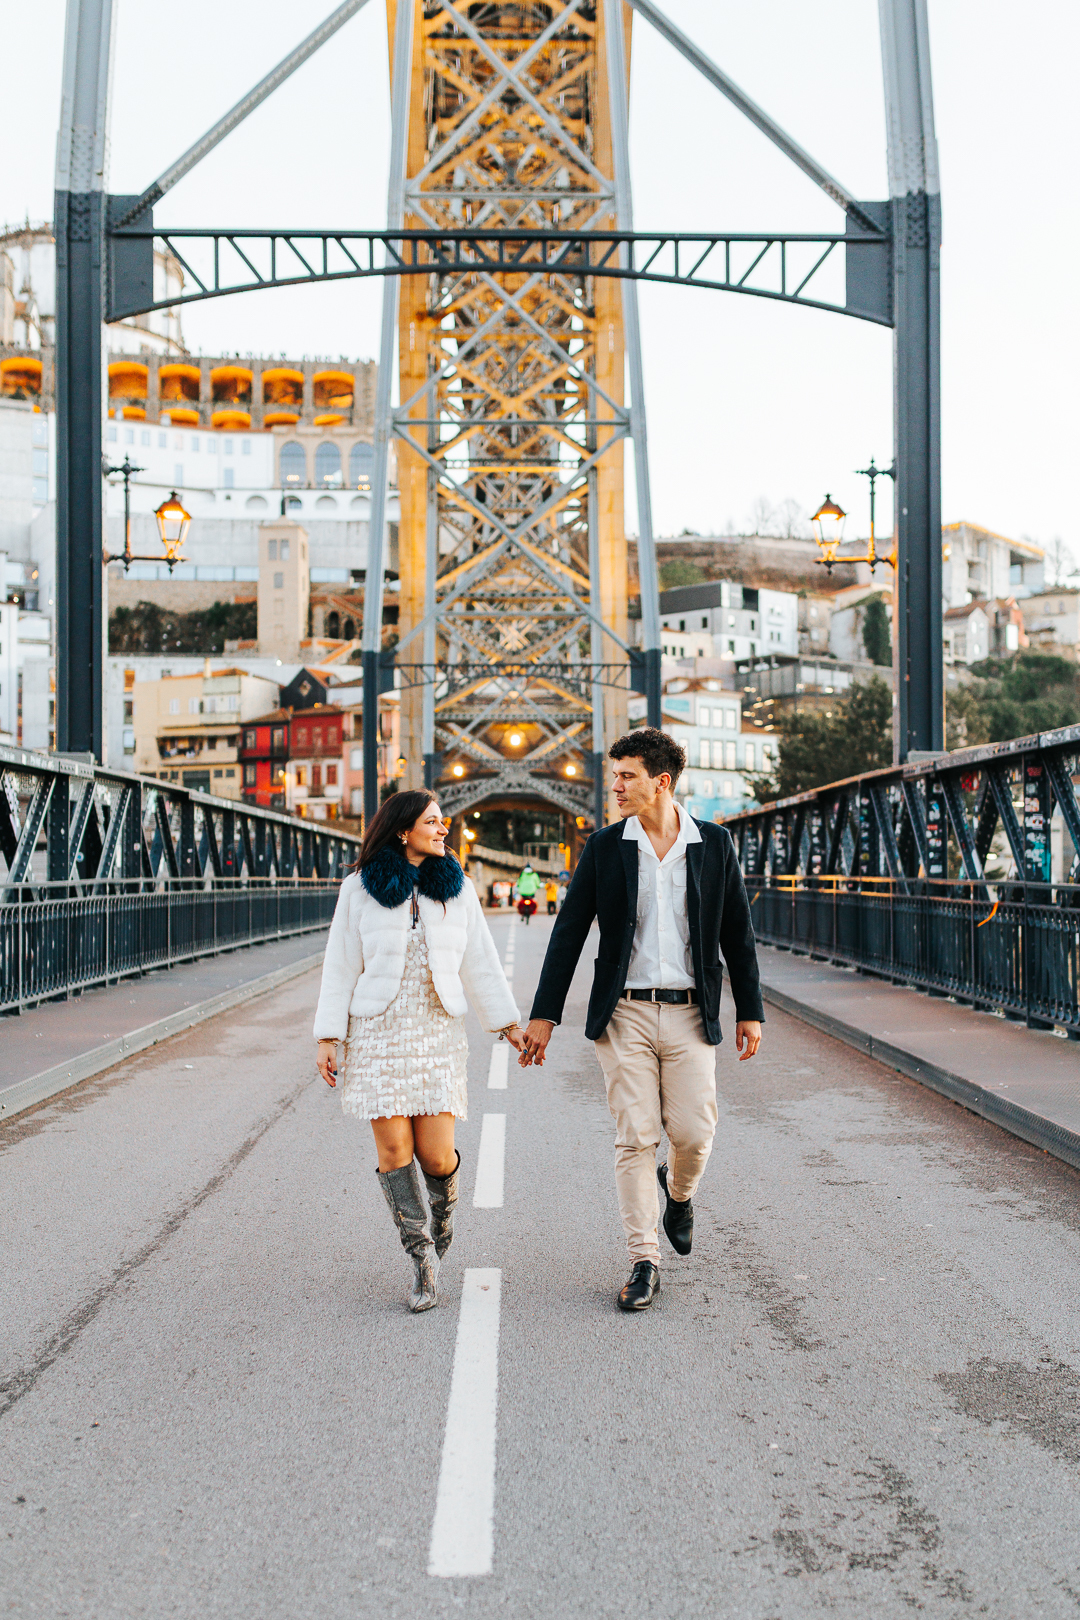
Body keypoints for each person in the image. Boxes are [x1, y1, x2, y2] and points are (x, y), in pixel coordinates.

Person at [519, 728, 763, 1314]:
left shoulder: (714, 843)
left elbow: (738, 932)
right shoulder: (604, 848)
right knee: (636, 1135)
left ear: (662, 783)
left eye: (627, 776)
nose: (616, 786)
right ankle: (643, 1258)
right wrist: (543, 1016)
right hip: (623, 1012)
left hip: (689, 1011)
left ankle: (679, 1197)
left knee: (693, 1135)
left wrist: (750, 1010)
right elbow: (569, 933)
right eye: (615, 775)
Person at [314, 790, 526, 1313]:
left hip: (435, 1034)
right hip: (378, 1035)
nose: (443, 829)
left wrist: (508, 1023)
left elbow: (479, 961)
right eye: (433, 821)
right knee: (394, 1154)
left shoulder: (458, 889)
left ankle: (444, 1211)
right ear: (403, 829)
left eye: (443, 821)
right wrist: (328, 1036)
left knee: (435, 1155)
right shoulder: (358, 890)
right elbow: (340, 964)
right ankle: (421, 1256)